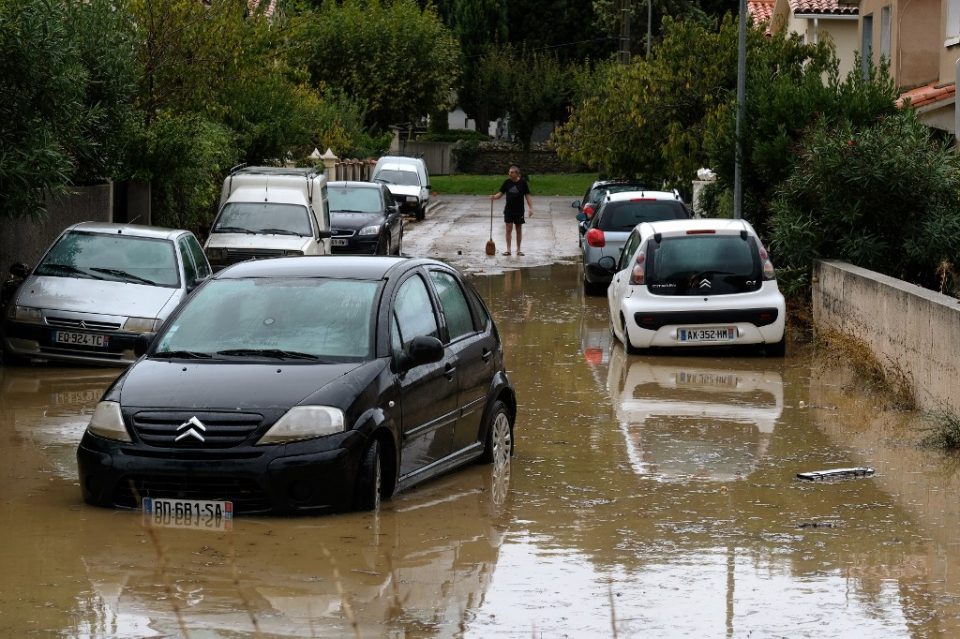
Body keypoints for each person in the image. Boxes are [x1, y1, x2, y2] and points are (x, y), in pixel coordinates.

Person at [490, 165, 533, 256]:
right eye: (509, 172)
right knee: (508, 229)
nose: (509, 174)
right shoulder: (507, 182)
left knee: (518, 229)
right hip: (508, 210)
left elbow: (527, 195)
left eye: (511, 172)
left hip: (519, 210)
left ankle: (518, 250)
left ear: (517, 173)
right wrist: (494, 197)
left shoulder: (523, 183)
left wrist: (530, 208)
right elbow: (500, 193)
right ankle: (508, 250)